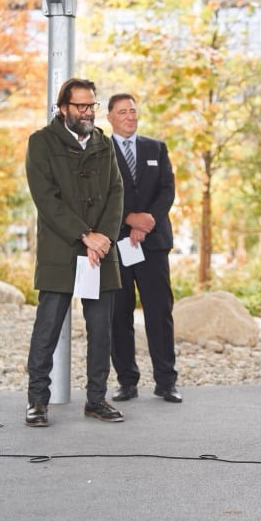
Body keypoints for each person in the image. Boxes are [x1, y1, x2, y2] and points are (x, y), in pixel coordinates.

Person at [24, 78, 125, 426]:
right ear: (63, 107)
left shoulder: (104, 144)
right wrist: (85, 234)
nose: (87, 112)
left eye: (91, 106)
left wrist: (104, 239)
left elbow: (116, 193)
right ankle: (37, 401)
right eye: (80, 106)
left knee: (101, 331)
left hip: (99, 252)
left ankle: (97, 400)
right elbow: (46, 199)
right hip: (62, 249)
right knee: (47, 328)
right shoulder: (41, 142)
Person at [106, 93, 181, 403]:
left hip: (153, 243)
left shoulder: (156, 148)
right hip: (117, 243)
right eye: (122, 112)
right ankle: (127, 381)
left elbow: (167, 189)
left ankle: (166, 382)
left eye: (133, 111)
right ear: (109, 117)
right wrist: (128, 220)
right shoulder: (100, 152)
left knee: (159, 313)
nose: (130, 117)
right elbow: (99, 195)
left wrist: (148, 219)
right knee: (118, 315)